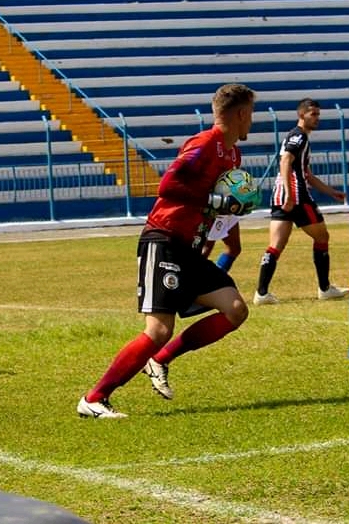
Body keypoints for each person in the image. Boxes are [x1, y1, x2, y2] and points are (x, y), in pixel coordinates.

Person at [77, 84, 257, 418]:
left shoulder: (233, 155)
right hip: (164, 240)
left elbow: (214, 205)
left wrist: (229, 212)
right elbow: (168, 185)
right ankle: (94, 398)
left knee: (235, 309)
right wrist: (214, 201)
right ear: (241, 113)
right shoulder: (205, 144)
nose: (252, 122)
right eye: (251, 114)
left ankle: (159, 360)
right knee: (158, 329)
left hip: (189, 248)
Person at [254, 98, 349, 305]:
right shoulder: (299, 136)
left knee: (276, 245)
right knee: (322, 237)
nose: (316, 119)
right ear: (301, 115)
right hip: (296, 196)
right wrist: (290, 193)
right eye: (312, 114)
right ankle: (325, 289)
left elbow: (307, 174)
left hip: (280, 196)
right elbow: (285, 161)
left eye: (317, 115)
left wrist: (331, 191)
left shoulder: (298, 137)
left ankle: (261, 294)